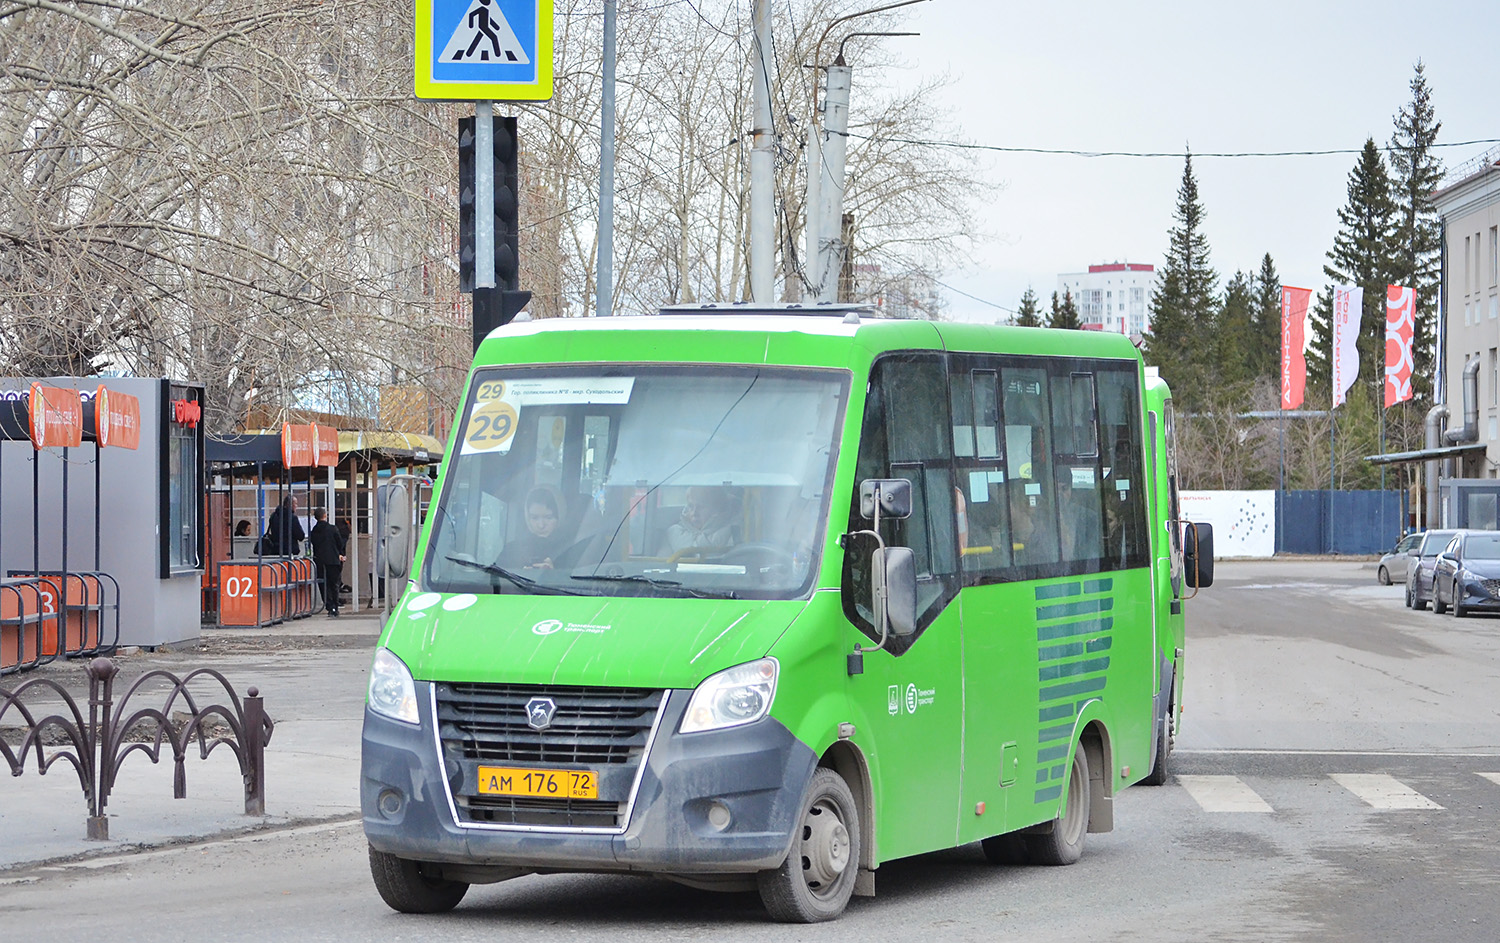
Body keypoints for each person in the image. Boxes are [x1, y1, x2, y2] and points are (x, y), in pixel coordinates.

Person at [500, 487, 566, 569]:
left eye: (548, 517)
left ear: (560, 516)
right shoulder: (511, 551)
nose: (541, 525)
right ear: (527, 518)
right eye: (534, 518)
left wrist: (553, 575)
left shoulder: (570, 552)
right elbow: (494, 578)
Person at [661, 486, 736, 556]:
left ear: (716, 510)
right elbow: (660, 566)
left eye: (701, 507)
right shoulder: (673, 532)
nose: (694, 513)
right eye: (691, 506)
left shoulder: (732, 533)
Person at [310, 509, 346, 616]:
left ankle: (329, 605)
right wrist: (341, 554)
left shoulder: (314, 531)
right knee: (334, 583)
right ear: (325, 515)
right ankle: (335, 606)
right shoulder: (332, 529)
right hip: (333, 560)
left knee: (323, 584)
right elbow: (340, 543)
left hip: (319, 560)